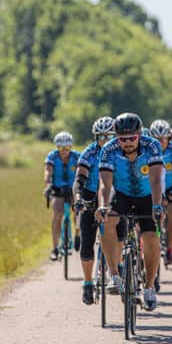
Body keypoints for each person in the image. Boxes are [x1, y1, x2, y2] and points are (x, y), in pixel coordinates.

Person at [96, 113, 165, 311]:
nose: (127, 143)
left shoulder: (152, 146)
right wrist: (102, 205)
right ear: (116, 137)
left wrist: (157, 206)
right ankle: (114, 275)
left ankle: (150, 288)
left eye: (132, 139)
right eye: (122, 139)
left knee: (151, 238)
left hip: (147, 196)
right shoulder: (109, 149)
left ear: (139, 135)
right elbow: (105, 182)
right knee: (107, 221)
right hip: (122, 195)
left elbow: (155, 179)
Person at [73, 116, 115, 305]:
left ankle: (119, 267)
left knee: (119, 234)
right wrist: (79, 199)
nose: (105, 141)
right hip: (90, 197)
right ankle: (88, 283)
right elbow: (79, 179)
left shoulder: (119, 152)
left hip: (113, 196)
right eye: (101, 137)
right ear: (95, 137)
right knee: (86, 244)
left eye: (109, 136)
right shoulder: (89, 153)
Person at [149, 119, 172, 267]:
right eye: (156, 139)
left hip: (169, 188)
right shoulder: (146, 149)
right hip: (151, 189)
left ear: (168, 137)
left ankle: (169, 247)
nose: (160, 142)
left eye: (163, 139)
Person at [43, 131, 80, 261]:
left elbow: (83, 171)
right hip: (57, 189)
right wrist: (48, 185)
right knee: (57, 214)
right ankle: (54, 248)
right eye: (60, 148)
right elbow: (48, 172)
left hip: (73, 189)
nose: (64, 151)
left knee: (78, 212)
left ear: (71, 146)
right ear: (56, 147)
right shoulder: (52, 156)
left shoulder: (77, 157)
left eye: (67, 148)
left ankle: (78, 235)